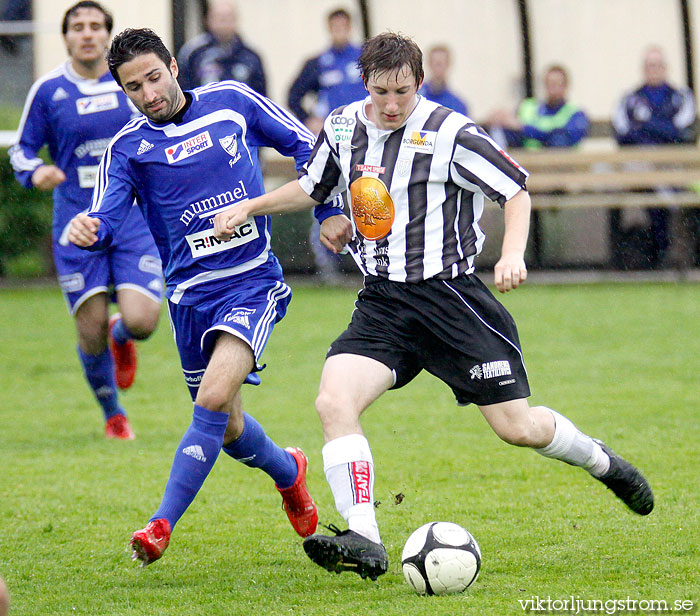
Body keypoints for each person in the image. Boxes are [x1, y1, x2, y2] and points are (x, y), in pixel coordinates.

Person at [213, 32, 654, 581]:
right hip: (384, 302)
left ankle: (602, 461)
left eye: (401, 91)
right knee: (334, 401)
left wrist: (512, 254)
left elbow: (516, 191)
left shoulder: (451, 132)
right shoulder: (346, 125)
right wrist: (251, 207)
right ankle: (364, 538)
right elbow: (314, 184)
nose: (391, 104)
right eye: (380, 92)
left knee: (517, 427)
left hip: (451, 299)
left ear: (419, 82)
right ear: (364, 85)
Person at [68, 27, 348, 566]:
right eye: (133, 88)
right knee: (230, 428)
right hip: (189, 299)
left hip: (251, 282)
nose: (148, 94)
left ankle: (160, 525)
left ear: (174, 66)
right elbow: (106, 216)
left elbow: (308, 149)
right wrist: (88, 228)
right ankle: (290, 472)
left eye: (153, 77)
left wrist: (327, 209)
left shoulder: (232, 104)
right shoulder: (128, 149)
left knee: (212, 399)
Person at [9, 1, 162, 440]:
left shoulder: (132, 85)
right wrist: (35, 171)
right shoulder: (48, 90)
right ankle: (113, 413)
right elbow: (22, 149)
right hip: (77, 223)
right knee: (89, 328)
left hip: (133, 219)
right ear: (66, 37)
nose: (87, 33)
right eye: (78, 26)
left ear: (108, 35)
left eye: (96, 26)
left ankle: (123, 335)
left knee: (142, 322)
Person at [287, 8, 367, 284]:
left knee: (364, 198)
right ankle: (329, 267)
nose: (339, 31)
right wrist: (308, 120)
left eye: (344, 26)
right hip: (334, 144)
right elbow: (294, 95)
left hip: (365, 142)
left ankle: (368, 265)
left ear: (351, 26)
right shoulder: (319, 62)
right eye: (335, 26)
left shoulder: (364, 59)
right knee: (326, 196)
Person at [611, 46, 696, 269]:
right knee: (651, 184)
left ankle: (664, 250)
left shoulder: (681, 96)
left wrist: (646, 123)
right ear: (643, 69)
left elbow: (681, 134)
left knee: (662, 187)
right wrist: (661, 127)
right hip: (642, 166)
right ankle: (662, 250)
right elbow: (623, 135)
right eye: (650, 65)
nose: (654, 70)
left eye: (658, 65)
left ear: (666, 68)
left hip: (672, 165)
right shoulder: (630, 98)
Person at [488, 64, 589, 149]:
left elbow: (565, 138)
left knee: (558, 141)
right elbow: (512, 125)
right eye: (548, 83)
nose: (551, 88)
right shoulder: (529, 106)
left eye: (556, 84)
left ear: (566, 86)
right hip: (527, 163)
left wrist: (524, 129)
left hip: (560, 166)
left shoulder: (575, 113)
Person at [176, 0, 266, 95]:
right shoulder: (194, 53)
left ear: (236, 20)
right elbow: (184, 92)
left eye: (228, 18)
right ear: (208, 19)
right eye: (220, 18)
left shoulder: (251, 56)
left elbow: (261, 96)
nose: (224, 23)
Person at [419, 44, 468, 115]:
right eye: (435, 63)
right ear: (429, 64)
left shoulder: (458, 106)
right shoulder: (417, 98)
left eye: (441, 63)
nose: (438, 68)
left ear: (448, 65)